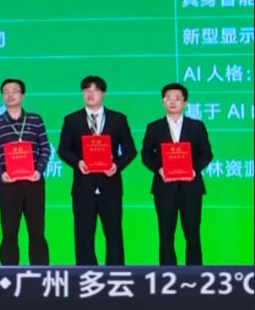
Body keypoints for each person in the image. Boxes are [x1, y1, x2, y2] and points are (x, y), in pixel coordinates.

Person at [57, 75, 137, 266]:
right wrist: (78, 163)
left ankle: (116, 276)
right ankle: (87, 277)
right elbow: (63, 150)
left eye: (94, 90)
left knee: (114, 235)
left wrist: (116, 165)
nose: (90, 94)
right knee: (83, 236)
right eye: (86, 90)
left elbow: (130, 151)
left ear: (103, 94)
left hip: (110, 186)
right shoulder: (72, 120)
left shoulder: (118, 119)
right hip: (83, 188)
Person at [141, 82, 213, 266]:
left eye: (177, 99)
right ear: (163, 102)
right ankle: (167, 275)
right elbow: (146, 155)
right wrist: (160, 169)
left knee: (193, 235)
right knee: (166, 235)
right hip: (164, 189)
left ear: (185, 103)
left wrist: (193, 170)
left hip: (191, 188)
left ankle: (195, 275)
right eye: (168, 98)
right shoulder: (154, 127)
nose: (172, 102)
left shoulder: (197, 127)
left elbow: (207, 154)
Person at [0, 78, 51, 265]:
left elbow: (45, 148)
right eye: (6, 92)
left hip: (33, 184)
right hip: (8, 185)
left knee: (37, 232)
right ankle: (9, 275)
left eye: (14, 91)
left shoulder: (35, 120)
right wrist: (1, 173)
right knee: (9, 233)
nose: (10, 95)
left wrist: (39, 170)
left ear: (22, 95)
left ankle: (41, 275)